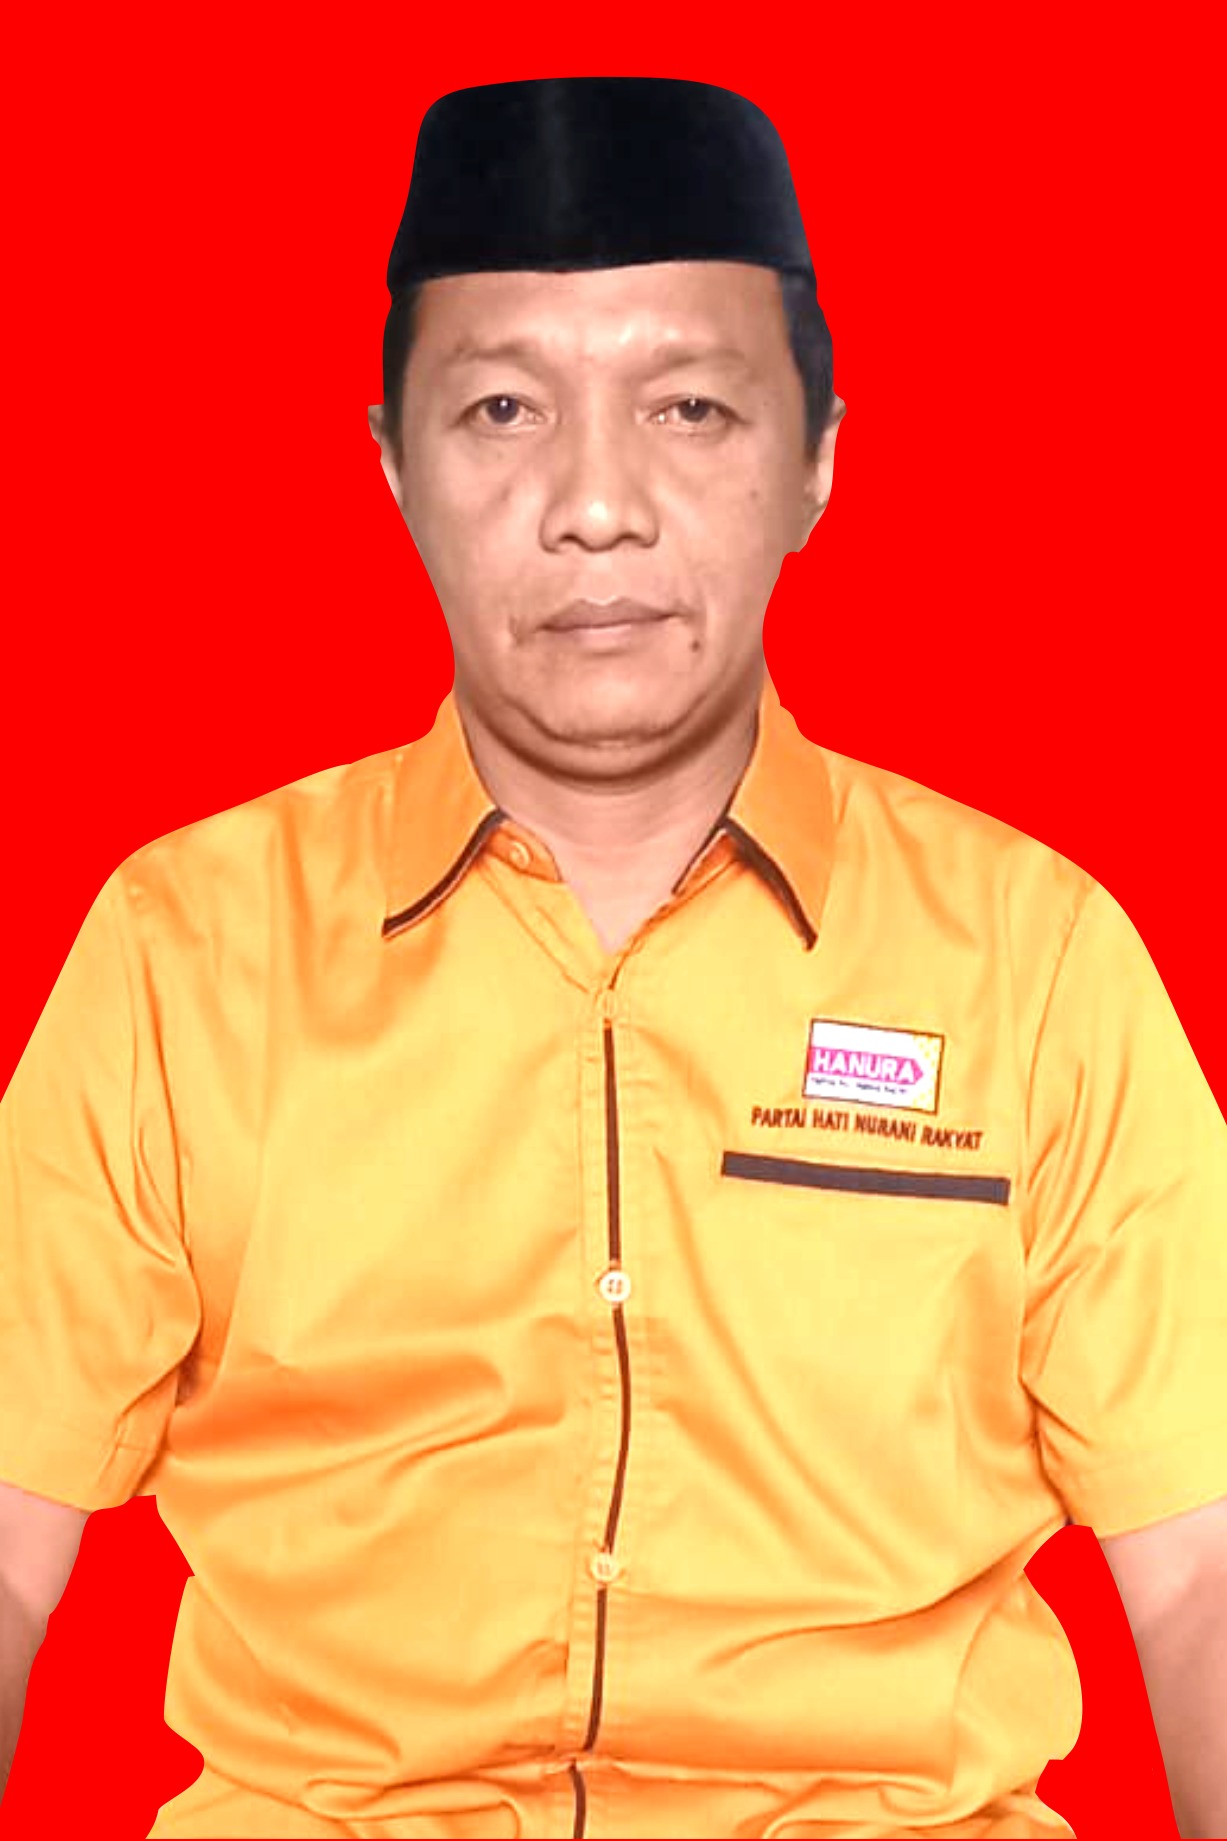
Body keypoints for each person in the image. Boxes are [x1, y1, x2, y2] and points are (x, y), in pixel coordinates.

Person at [0, 75, 1224, 1841]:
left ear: (816, 458)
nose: (595, 504)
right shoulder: (181, 956)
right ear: (393, 463)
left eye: (690, 406)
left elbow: (1204, 1575)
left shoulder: (1040, 966)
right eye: (504, 406)